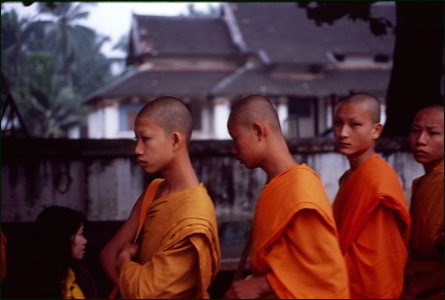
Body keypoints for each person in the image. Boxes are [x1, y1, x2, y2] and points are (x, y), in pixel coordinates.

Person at [224, 95, 349, 299]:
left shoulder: (300, 189)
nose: (233, 149)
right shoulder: (275, 185)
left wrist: (263, 285)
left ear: (258, 131)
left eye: (235, 138)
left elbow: (328, 279)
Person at [100, 96, 220, 299]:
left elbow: (145, 292)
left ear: (175, 140)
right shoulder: (154, 191)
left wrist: (125, 262)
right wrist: (132, 288)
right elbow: (107, 256)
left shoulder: (195, 215)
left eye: (145, 139)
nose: (137, 150)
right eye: (136, 140)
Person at [332, 92, 411, 299]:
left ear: (376, 130)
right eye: (338, 123)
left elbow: (379, 256)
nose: (343, 133)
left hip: (371, 289)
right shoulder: (351, 177)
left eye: (355, 125)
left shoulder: (378, 180)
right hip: (344, 282)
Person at [4, 206, 99, 299]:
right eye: (80, 234)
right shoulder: (30, 284)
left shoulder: (82, 278)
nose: (84, 240)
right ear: (63, 238)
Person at [401, 106, 444, 299]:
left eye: (432, 133)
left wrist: (415, 289)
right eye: (415, 131)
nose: (420, 141)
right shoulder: (421, 183)